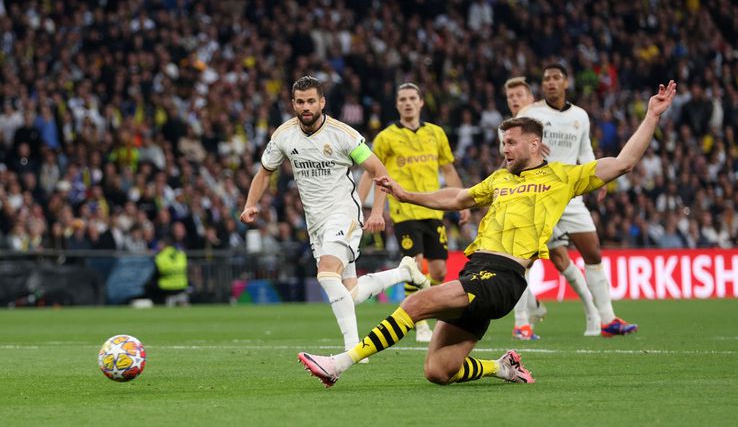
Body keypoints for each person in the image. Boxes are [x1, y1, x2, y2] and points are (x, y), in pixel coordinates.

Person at [297, 80, 676, 388]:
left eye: (511, 143)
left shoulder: (562, 176)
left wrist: (651, 117)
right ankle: (501, 367)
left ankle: (338, 364)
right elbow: (458, 197)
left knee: (416, 303)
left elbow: (623, 163)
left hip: (504, 276)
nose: (504, 149)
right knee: (438, 371)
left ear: (534, 143)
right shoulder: (499, 179)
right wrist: (406, 194)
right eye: (502, 143)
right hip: (476, 272)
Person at [240, 75, 429, 354]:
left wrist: (376, 210)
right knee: (348, 293)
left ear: (322, 102)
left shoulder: (345, 135)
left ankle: (353, 351)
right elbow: (264, 172)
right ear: (293, 104)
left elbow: (379, 171)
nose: (306, 107)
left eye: (311, 101)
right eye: (301, 102)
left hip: (344, 213)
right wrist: (250, 204)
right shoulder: (283, 135)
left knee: (327, 274)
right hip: (315, 221)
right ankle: (404, 271)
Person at [518, 63, 636, 337]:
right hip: (540, 195)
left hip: (571, 194)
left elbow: (585, 150)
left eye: (556, 78)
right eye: (546, 78)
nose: (550, 82)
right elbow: (508, 138)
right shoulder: (531, 113)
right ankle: (522, 322)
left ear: (566, 82)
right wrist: (529, 146)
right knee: (524, 259)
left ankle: (607, 319)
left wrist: (599, 177)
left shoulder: (580, 116)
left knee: (592, 252)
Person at [358, 82, 470, 342]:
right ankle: (419, 323)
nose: (407, 103)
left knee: (440, 271)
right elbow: (373, 172)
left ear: (421, 102)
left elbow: (449, 169)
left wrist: (462, 200)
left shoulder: (436, 133)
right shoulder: (386, 137)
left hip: (434, 208)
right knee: (415, 265)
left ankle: (431, 311)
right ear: (397, 104)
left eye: (412, 98)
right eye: (403, 99)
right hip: (404, 211)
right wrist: (363, 207)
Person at [503, 77, 599, 341]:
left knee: (556, 259)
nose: (514, 100)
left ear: (531, 99)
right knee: (528, 259)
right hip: (529, 202)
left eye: (519, 95)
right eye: (510, 96)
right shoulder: (509, 131)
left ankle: (593, 312)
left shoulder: (545, 123)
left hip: (555, 200)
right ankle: (525, 318)